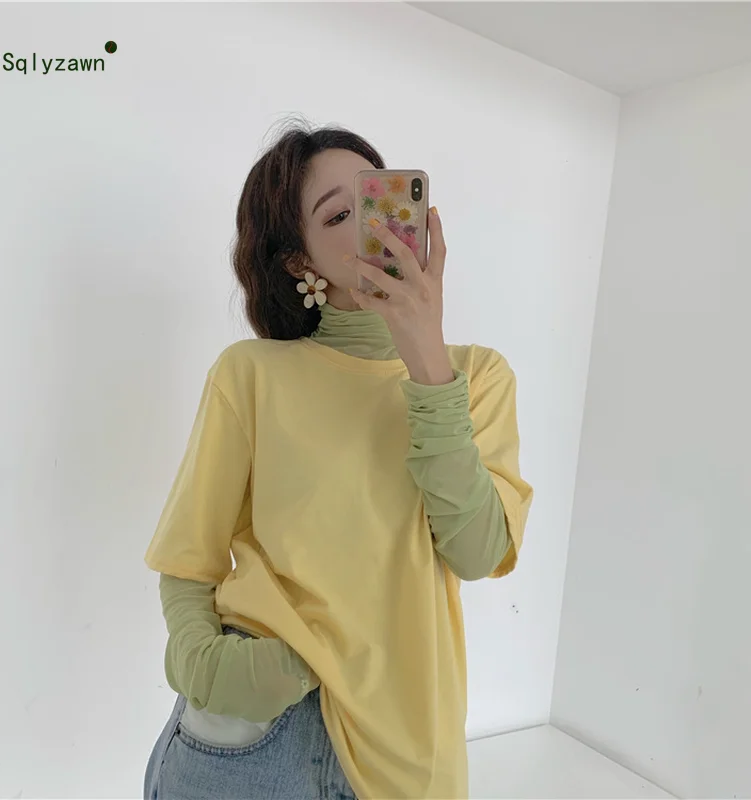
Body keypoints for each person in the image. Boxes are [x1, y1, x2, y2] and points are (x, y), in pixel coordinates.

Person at [142, 118, 534, 800]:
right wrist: (206, 666)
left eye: (380, 200)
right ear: (301, 263)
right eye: (338, 215)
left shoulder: (477, 378)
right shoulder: (251, 374)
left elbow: (477, 552)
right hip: (257, 734)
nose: (374, 226)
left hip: (409, 747)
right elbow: (187, 561)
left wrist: (426, 360)